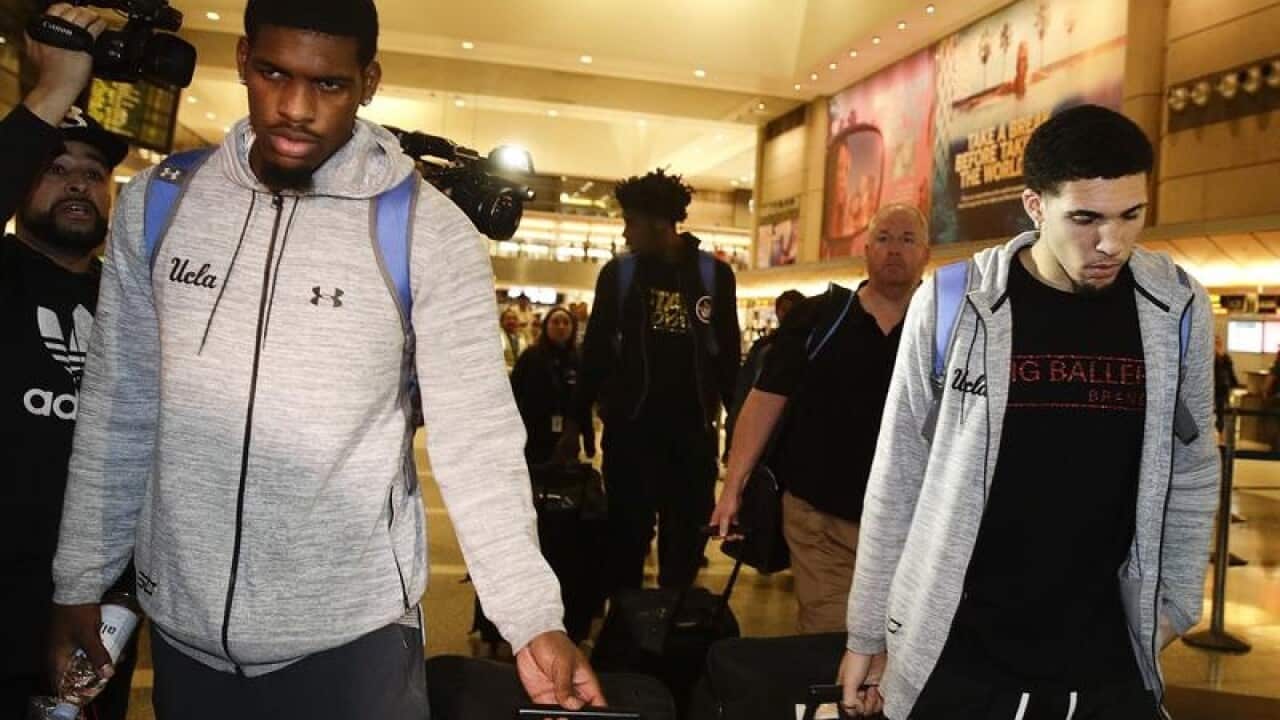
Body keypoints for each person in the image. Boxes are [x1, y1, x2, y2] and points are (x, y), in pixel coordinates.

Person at [48, 1, 604, 718]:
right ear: (244, 59)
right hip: (183, 642)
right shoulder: (160, 207)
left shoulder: (430, 233)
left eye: (329, 85)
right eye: (274, 73)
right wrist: (79, 581)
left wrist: (531, 618)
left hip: (355, 648)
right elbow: (118, 408)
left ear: (368, 81)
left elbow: (478, 443)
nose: (295, 107)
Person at [839, 105, 1218, 720]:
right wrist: (868, 633)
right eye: (1085, 218)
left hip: (1107, 658)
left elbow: (1194, 467)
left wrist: (1173, 606)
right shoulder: (952, 303)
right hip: (957, 650)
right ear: (1035, 206)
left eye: (1132, 215)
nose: (1111, 242)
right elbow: (899, 472)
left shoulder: (1174, 306)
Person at [0, 6, 137, 719]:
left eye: (94, 172)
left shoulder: (133, 300)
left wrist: (127, 591)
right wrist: (52, 92)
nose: (81, 182)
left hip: (96, 605)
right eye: (57, 167)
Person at [712, 206, 930, 634]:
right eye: (884, 238)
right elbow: (765, 402)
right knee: (832, 635)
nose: (894, 250)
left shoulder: (949, 327)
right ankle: (834, 702)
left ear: (926, 252)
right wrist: (732, 488)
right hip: (819, 517)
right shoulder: (819, 318)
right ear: (866, 250)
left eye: (907, 239)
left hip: (913, 522)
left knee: (901, 638)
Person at [558, 169, 740, 591]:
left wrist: (739, 435)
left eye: (631, 222)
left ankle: (668, 640)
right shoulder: (619, 276)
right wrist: (574, 422)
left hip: (692, 439)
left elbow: (727, 361)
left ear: (659, 223)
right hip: (631, 436)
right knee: (626, 542)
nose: (625, 233)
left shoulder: (713, 277)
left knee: (686, 545)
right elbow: (597, 355)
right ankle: (628, 639)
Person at [511, 307, 595, 465]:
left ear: (573, 327)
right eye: (555, 322)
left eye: (566, 322)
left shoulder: (579, 360)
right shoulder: (530, 356)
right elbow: (513, 394)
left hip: (567, 435)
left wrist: (589, 441)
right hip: (533, 431)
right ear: (546, 326)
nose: (561, 326)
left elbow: (584, 402)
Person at [724, 288, 804, 447]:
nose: (787, 314)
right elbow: (745, 386)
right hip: (760, 419)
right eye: (784, 310)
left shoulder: (807, 347)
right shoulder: (763, 347)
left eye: (792, 310)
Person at [1213, 334, 1240, 433]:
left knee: (1222, 410)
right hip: (1214, 386)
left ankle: (1221, 431)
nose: (1217, 343)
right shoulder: (1210, 356)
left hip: (1223, 387)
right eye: (1215, 341)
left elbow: (1230, 371)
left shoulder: (1225, 356)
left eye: (1218, 341)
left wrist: (1234, 384)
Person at [502, 307, 529, 372]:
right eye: (508, 318)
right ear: (502, 321)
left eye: (514, 319)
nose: (512, 321)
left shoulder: (522, 337)